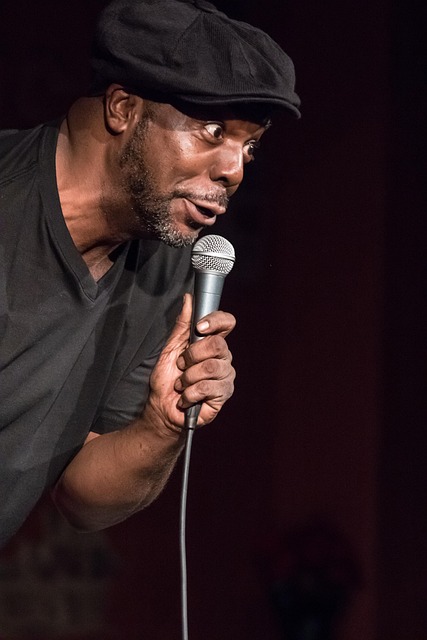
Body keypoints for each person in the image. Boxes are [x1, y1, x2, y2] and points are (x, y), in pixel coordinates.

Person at [0, 0, 300, 548]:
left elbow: (81, 498)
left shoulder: (167, 273)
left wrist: (160, 427)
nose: (234, 170)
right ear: (123, 108)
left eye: (250, 145)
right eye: (214, 130)